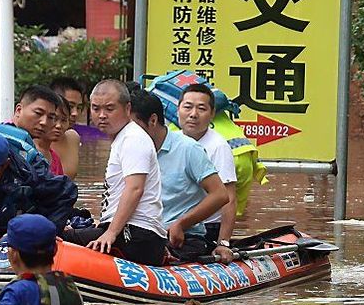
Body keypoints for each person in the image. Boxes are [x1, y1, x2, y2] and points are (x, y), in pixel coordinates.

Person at [62, 79, 166, 265]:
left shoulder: (133, 138)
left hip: (136, 235)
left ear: (127, 109)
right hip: (130, 231)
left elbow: (135, 189)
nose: (102, 115)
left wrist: (110, 233)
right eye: (96, 108)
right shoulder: (123, 138)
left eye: (110, 109)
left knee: (52, 240)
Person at [130, 90, 228, 262]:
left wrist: (181, 224)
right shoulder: (128, 149)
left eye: (131, 127)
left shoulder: (189, 149)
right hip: (143, 234)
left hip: (183, 238)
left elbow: (221, 195)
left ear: (152, 120)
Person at [177, 83, 238, 262]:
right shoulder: (173, 141)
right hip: (177, 223)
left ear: (212, 114)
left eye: (201, 108)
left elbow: (229, 198)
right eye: (187, 107)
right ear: (178, 109)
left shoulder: (218, 146)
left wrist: (223, 243)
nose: (193, 114)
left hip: (206, 228)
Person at [0, 85, 63, 169]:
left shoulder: (29, 146)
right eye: (38, 113)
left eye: (50, 117)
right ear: (19, 110)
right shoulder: (1, 141)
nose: (44, 122)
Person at [49, 77, 84, 178]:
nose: (75, 113)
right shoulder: (32, 138)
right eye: (70, 106)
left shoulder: (73, 138)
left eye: (79, 107)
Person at [33, 93, 70, 177]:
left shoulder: (55, 159)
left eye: (64, 120)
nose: (59, 125)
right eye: (53, 118)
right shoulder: (28, 151)